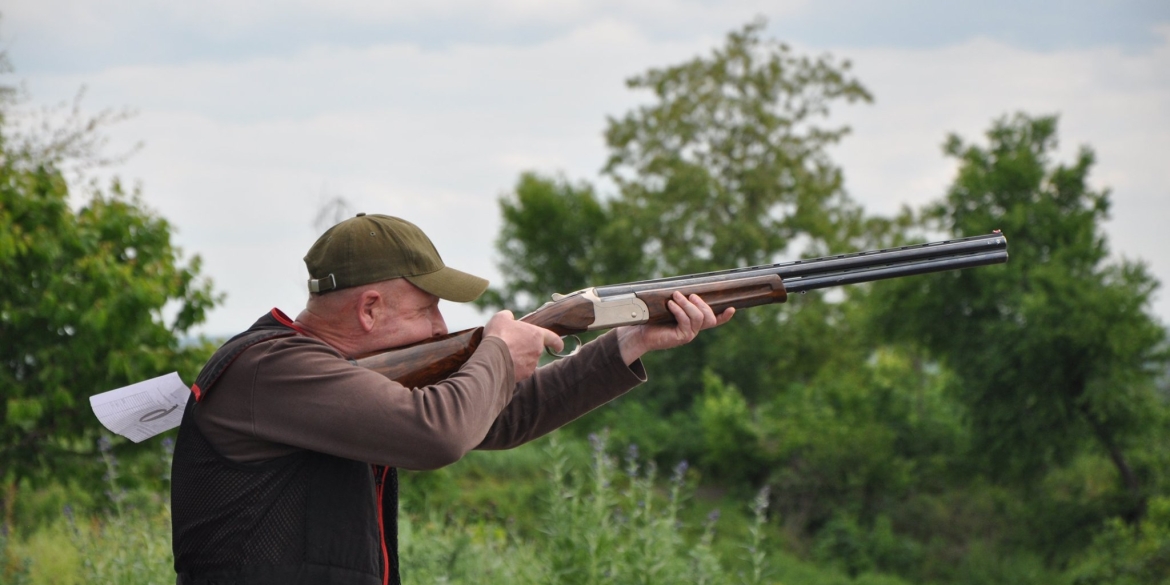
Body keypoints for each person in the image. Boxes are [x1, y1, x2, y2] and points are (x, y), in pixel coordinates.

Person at [169, 213, 733, 585]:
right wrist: (497, 349)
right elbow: (436, 434)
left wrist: (629, 342)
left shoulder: (326, 373)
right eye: (428, 308)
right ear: (369, 309)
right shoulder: (271, 368)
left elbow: (505, 416)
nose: (443, 327)